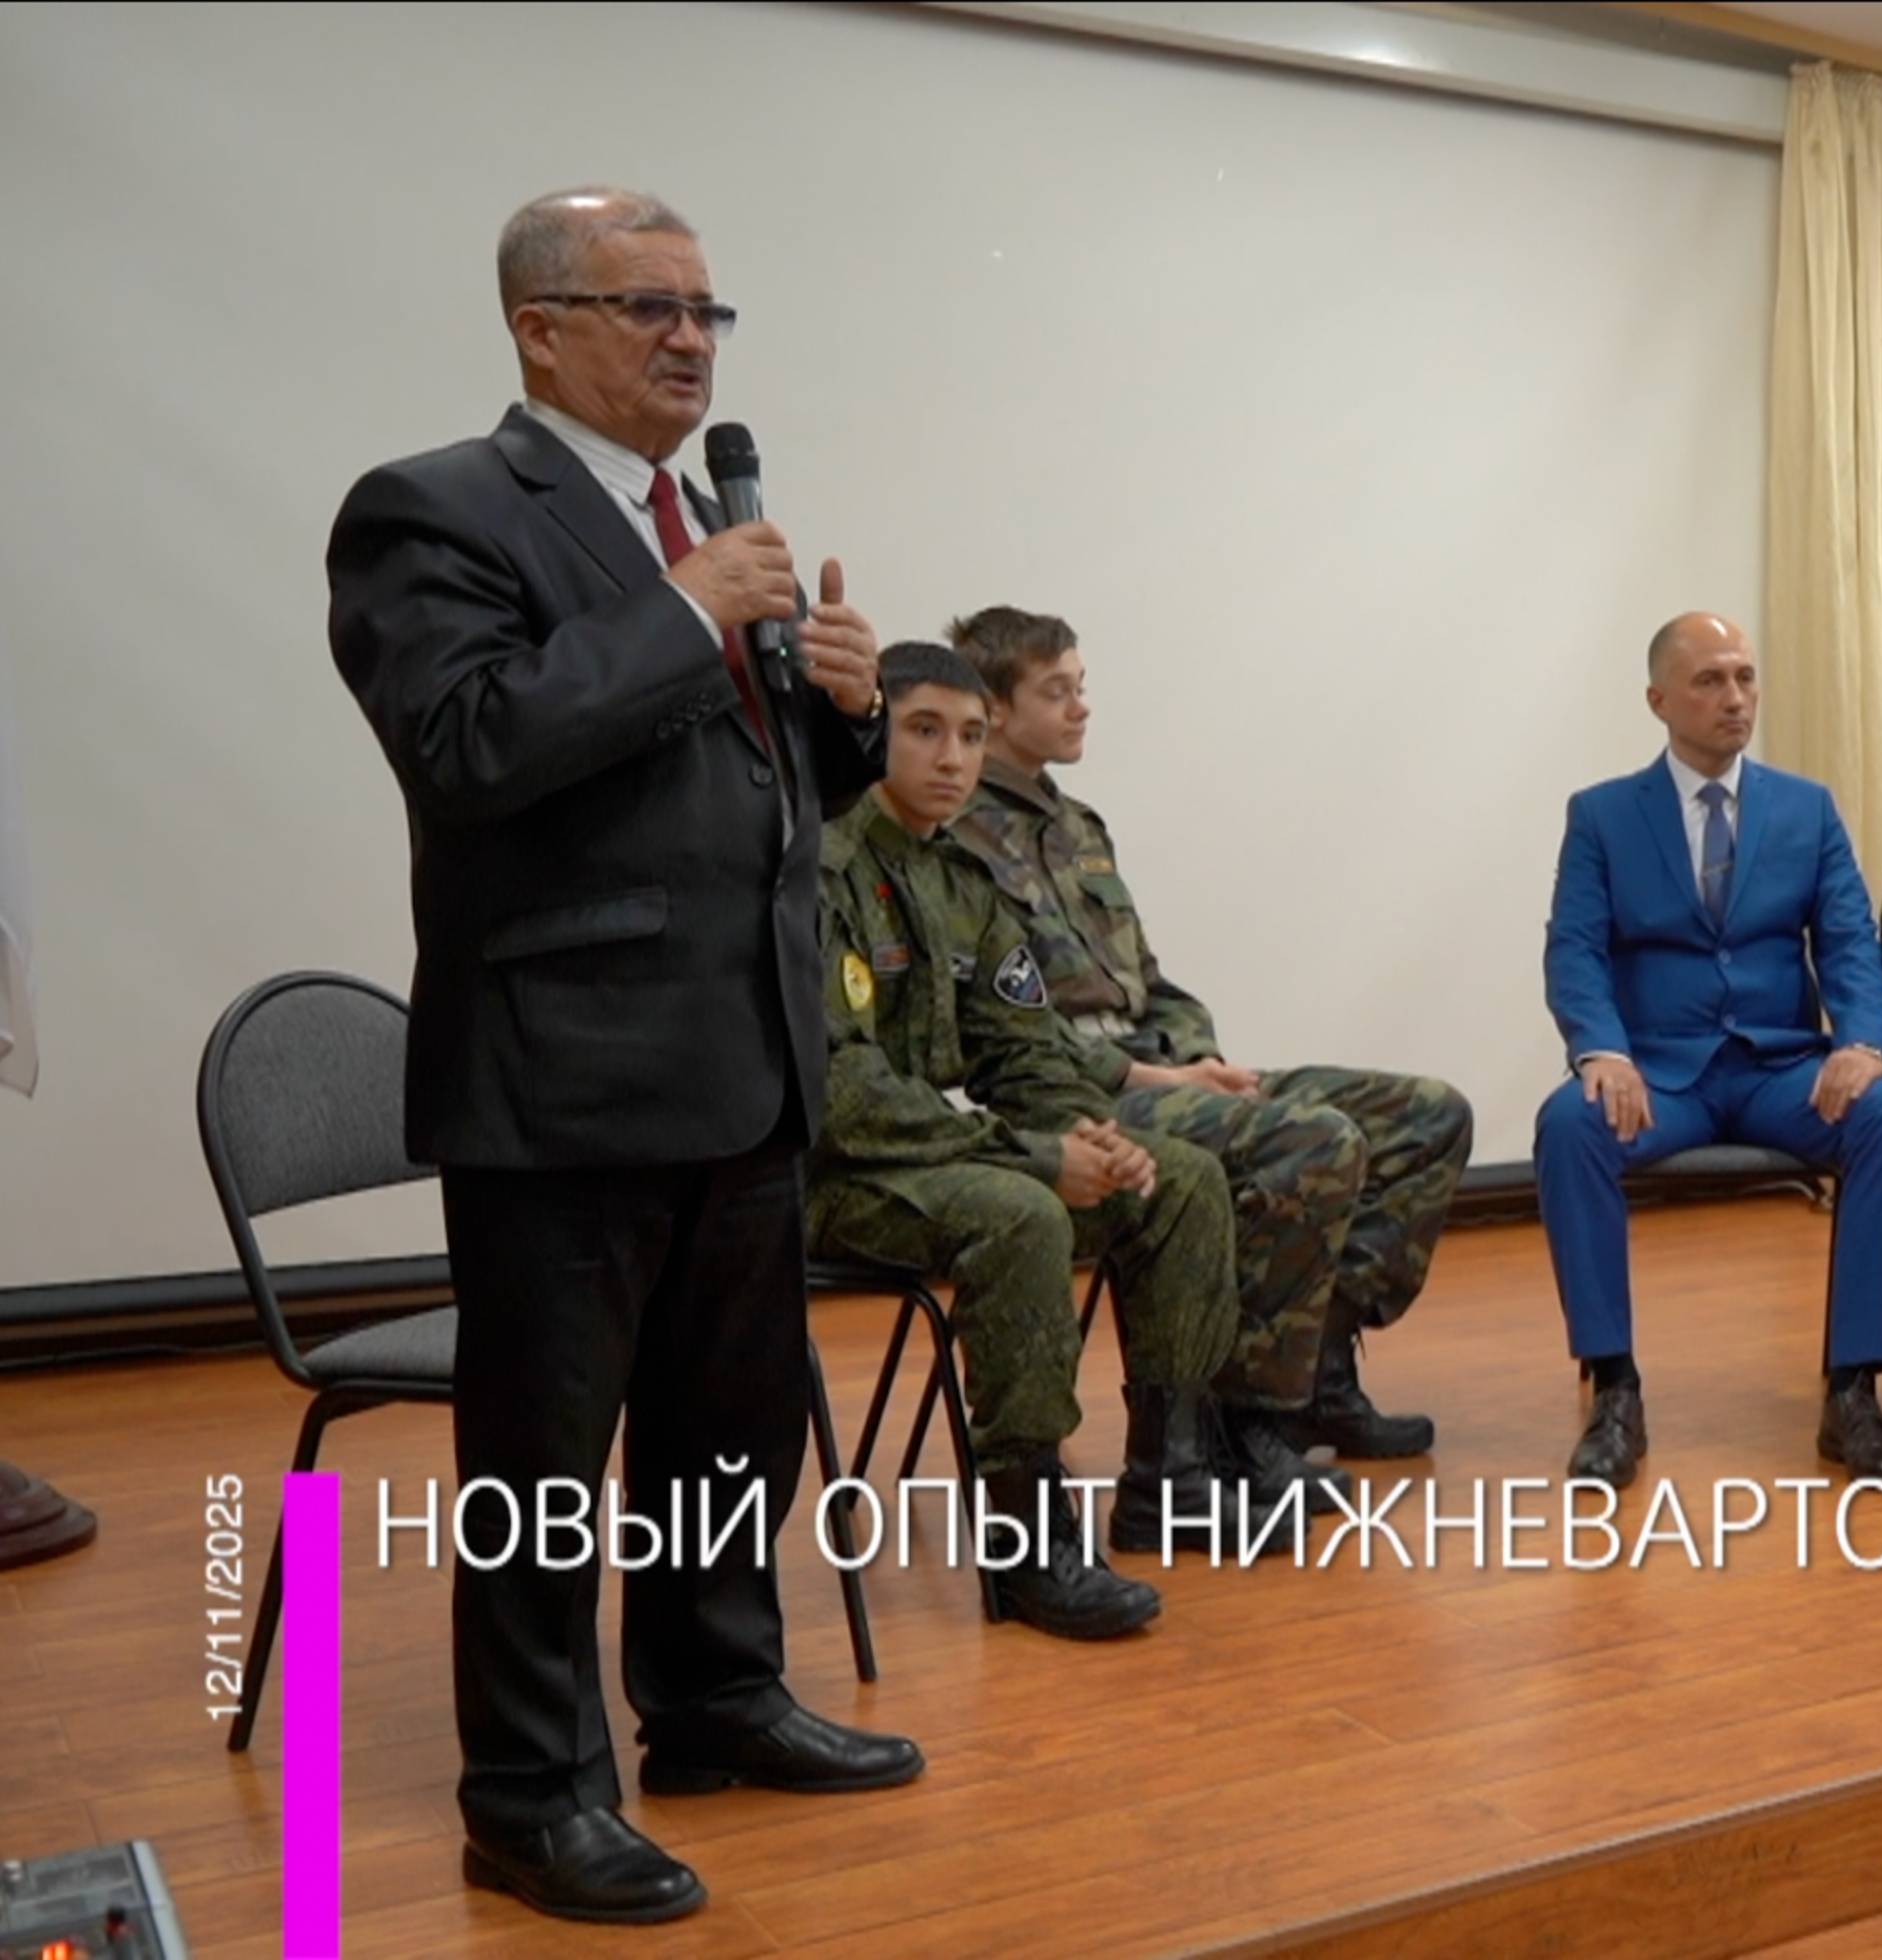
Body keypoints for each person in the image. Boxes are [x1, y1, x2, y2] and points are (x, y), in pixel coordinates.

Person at [326, 187, 917, 1925]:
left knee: (729, 1428)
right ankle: (528, 1796)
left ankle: (718, 1698)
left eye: (706, 312)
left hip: (748, 1058)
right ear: (539, 329)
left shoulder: (702, 523)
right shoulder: (433, 509)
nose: (688, 340)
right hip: (564, 1077)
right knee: (543, 1472)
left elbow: (747, 788)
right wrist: (677, 610)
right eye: (648, 306)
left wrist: (845, 714)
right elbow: (468, 744)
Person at [945, 606, 1473, 1467]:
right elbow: (996, 1034)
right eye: (1056, 691)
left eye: (1082, 686)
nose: (1081, 706)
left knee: (1426, 1115)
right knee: (1312, 1142)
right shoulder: (953, 838)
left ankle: (1319, 1375)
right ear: (995, 708)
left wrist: (1198, 1057)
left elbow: (1150, 980)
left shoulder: (1078, 828)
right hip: (1074, 1098)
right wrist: (1154, 1080)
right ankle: (1250, 1423)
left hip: (1163, 1073)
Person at [806, 643, 1262, 1638]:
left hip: (939, 1161)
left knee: (1178, 1178)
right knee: (1020, 1216)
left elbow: (1024, 1052)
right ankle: (1026, 1540)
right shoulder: (822, 868)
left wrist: (1092, 1134)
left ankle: (1170, 1476)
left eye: (972, 736)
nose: (952, 758)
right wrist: (1036, 1158)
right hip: (835, 1178)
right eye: (924, 730)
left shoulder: (964, 880)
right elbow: (846, 1097)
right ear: (874, 732)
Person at [1538, 612, 1882, 1489]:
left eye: (1745, 677)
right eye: (1710, 680)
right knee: (1569, 1124)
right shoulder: (1602, 816)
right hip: (1659, 1075)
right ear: (1658, 700)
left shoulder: (1805, 808)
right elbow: (1574, 949)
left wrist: (1863, 1043)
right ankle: (1614, 1389)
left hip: (1779, 1071)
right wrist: (1601, 1052)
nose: (1735, 697)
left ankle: (1852, 1389)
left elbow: (1848, 942)